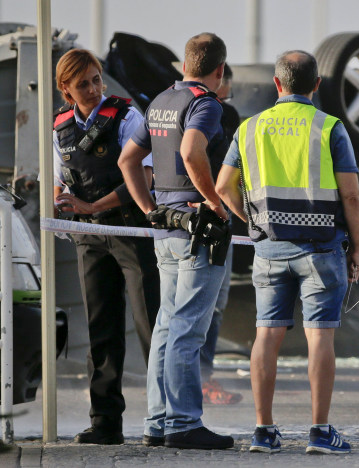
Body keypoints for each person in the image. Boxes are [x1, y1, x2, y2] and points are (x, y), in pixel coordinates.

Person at [216, 50, 359, 454]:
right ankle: (319, 432)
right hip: (321, 249)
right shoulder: (329, 127)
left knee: (266, 334)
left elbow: (222, 186)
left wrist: (252, 221)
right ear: (317, 86)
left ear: (277, 85)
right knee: (321, 338)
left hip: (269, 247)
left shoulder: (249, 128)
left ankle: (263, 432)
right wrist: (358, 248)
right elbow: (350, 194)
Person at [118, 32, 234, 450]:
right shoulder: (205, 103)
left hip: (165, 228)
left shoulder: (160, 101)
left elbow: (127, 159)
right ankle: (184, 422)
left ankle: (158, 421)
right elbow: (191, 151)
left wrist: (149, 207)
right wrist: (213, 201)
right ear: (219, 70)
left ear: (184, 65)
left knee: (167, 326)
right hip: (197, 231)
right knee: (187, 329)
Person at [52, 48, 160, 445]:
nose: (94, 88)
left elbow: (145, 176)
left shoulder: (127, 116)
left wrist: (93, 205)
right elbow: (59, 178)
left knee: (150, 325)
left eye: (97, 78)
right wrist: (59, 199)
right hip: (90, 237)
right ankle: (105, 422)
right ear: (66, 89)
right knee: (102, 330)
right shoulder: (59, 127)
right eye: (84, 83)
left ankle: (163, 418)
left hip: (131, 231)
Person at [200, 63, 243, 405]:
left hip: (191, 216)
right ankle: (200, 379)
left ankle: (200, 378)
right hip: (213, 216)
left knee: (206, 303)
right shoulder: (223, 113)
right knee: (210, 302)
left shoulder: (174, 103)